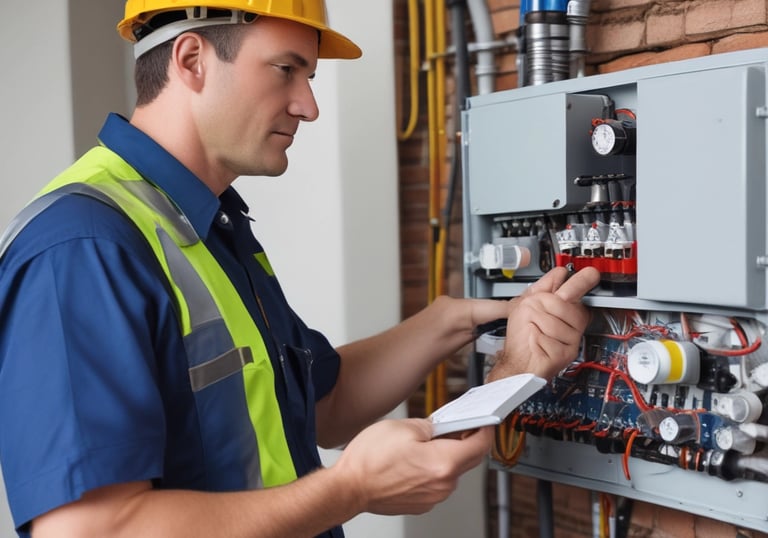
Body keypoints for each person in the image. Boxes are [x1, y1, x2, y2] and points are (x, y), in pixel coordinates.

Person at [0, 2, 601, 537]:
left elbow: (321, 403)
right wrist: (350, 489)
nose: (307, 106)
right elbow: (87, 530)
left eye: (308, 77)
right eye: (286, 69)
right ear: (191, 59)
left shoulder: (209, 226)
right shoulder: (84, 247)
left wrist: (454, 323)